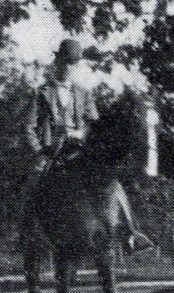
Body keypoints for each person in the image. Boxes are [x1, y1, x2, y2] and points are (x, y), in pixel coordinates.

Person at [25, 38, 148, 251]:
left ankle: (131, 232)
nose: (68, 67)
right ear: (57, 61)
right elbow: (28, 127)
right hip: (50, 152)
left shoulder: (84, 93)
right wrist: (39, 151)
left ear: (76, 65)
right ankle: (28, 233)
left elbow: (94, 123)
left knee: (113, 183)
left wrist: (80, 133)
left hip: (78, 150)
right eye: (64, 61)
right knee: (33, 182)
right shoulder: (41, 93)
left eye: (73, 63)